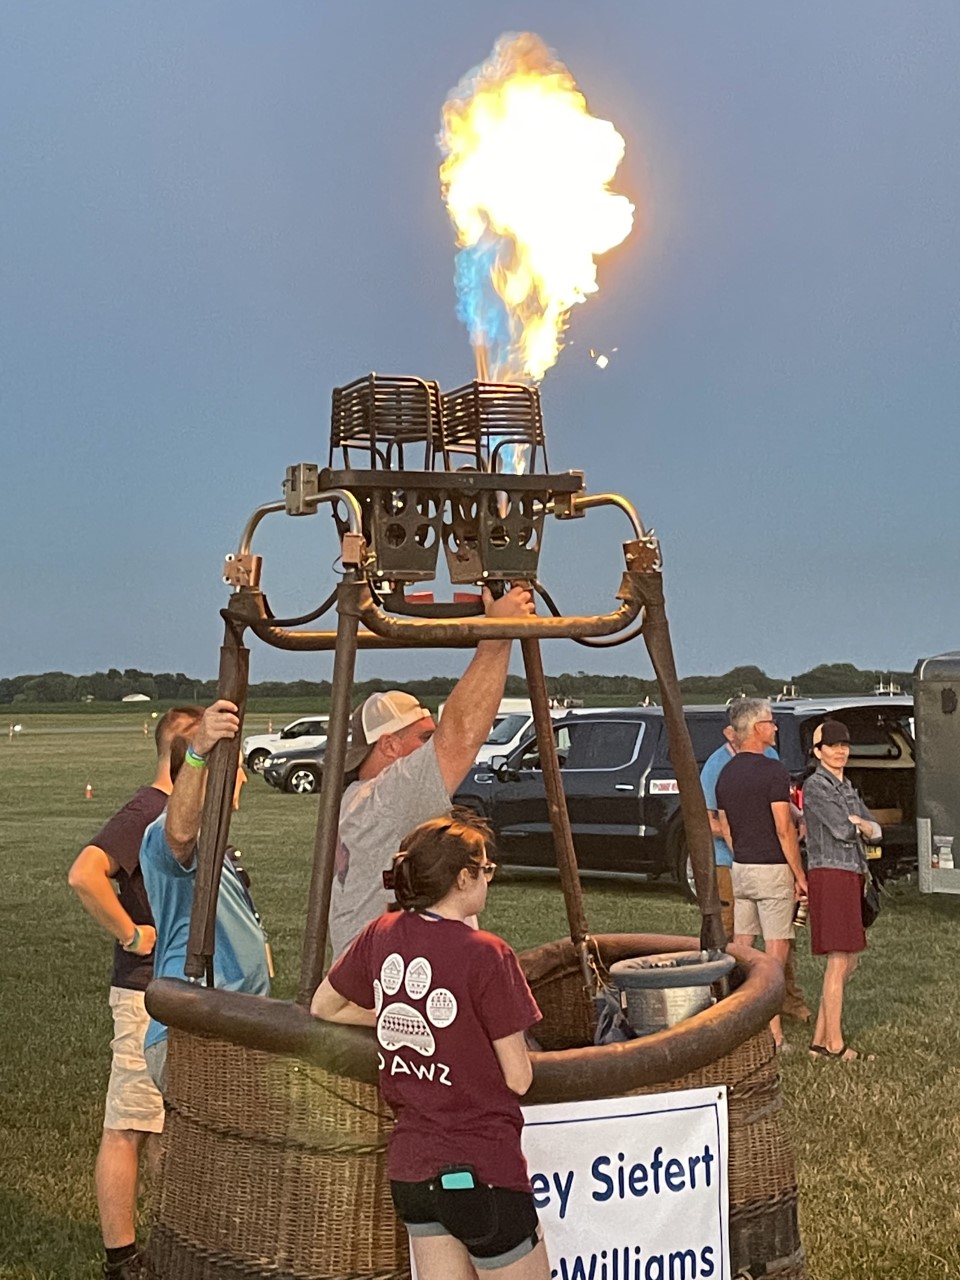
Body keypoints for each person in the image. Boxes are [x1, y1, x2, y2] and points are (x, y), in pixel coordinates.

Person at [312, 813, 549, 1280]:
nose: (488, 879)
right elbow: (518, 1076)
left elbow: (325, 1006)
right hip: (485, 1170)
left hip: (413, 1170)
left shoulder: (380, 934)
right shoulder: (488, 953)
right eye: (485, 871)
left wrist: (395, 1014)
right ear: (463, 878)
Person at [68, 704, 203, 1280]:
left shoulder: (180, 813)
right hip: (144, 994)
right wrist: (131, 933)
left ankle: (179, 1238)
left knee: (166, 1123)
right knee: (129, 1123)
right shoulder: (148, 811)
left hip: (177, 995)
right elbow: (84, 873)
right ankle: (123, 1258)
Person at [329, 583, 536, 959]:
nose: (431, 746)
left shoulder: (354, 801)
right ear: (389, 745)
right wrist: (499, 632)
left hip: (373, 975)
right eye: (424, 737)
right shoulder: (387, 797)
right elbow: (459, 737)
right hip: (394, 985)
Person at [139, 699, 271, 1091]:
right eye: (237, 769)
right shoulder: (162, 836)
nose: (243, 779)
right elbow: (179, 836)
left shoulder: (216, 851)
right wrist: (198, 755)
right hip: (198, 1034)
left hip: (228, 1030)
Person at [700, 721, 811, 1022]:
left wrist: (796, 814)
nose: (777, 728)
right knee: (760, 942)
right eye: (771, 722)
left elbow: (780, 808)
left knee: (775, 940)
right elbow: (707, 819)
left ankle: (783, 1002)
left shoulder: (769, 760)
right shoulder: (716, 767)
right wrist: (749, 839)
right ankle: (757, 1015)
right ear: (734, 731)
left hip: (747, 863)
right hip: (737, 863)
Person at [802, 720, 881, 1062]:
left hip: (853, 873)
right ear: (818, 751)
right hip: (830, 873)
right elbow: (841, 829)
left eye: (844, 745)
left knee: (849, 960)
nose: (840, 751)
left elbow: (875, 830)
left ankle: (820, 1041)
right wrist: (860, 825)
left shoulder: (847, 786)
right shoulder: (816, 786)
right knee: (839, 960)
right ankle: (835, 1045)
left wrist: (861, 824)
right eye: (833, 746)